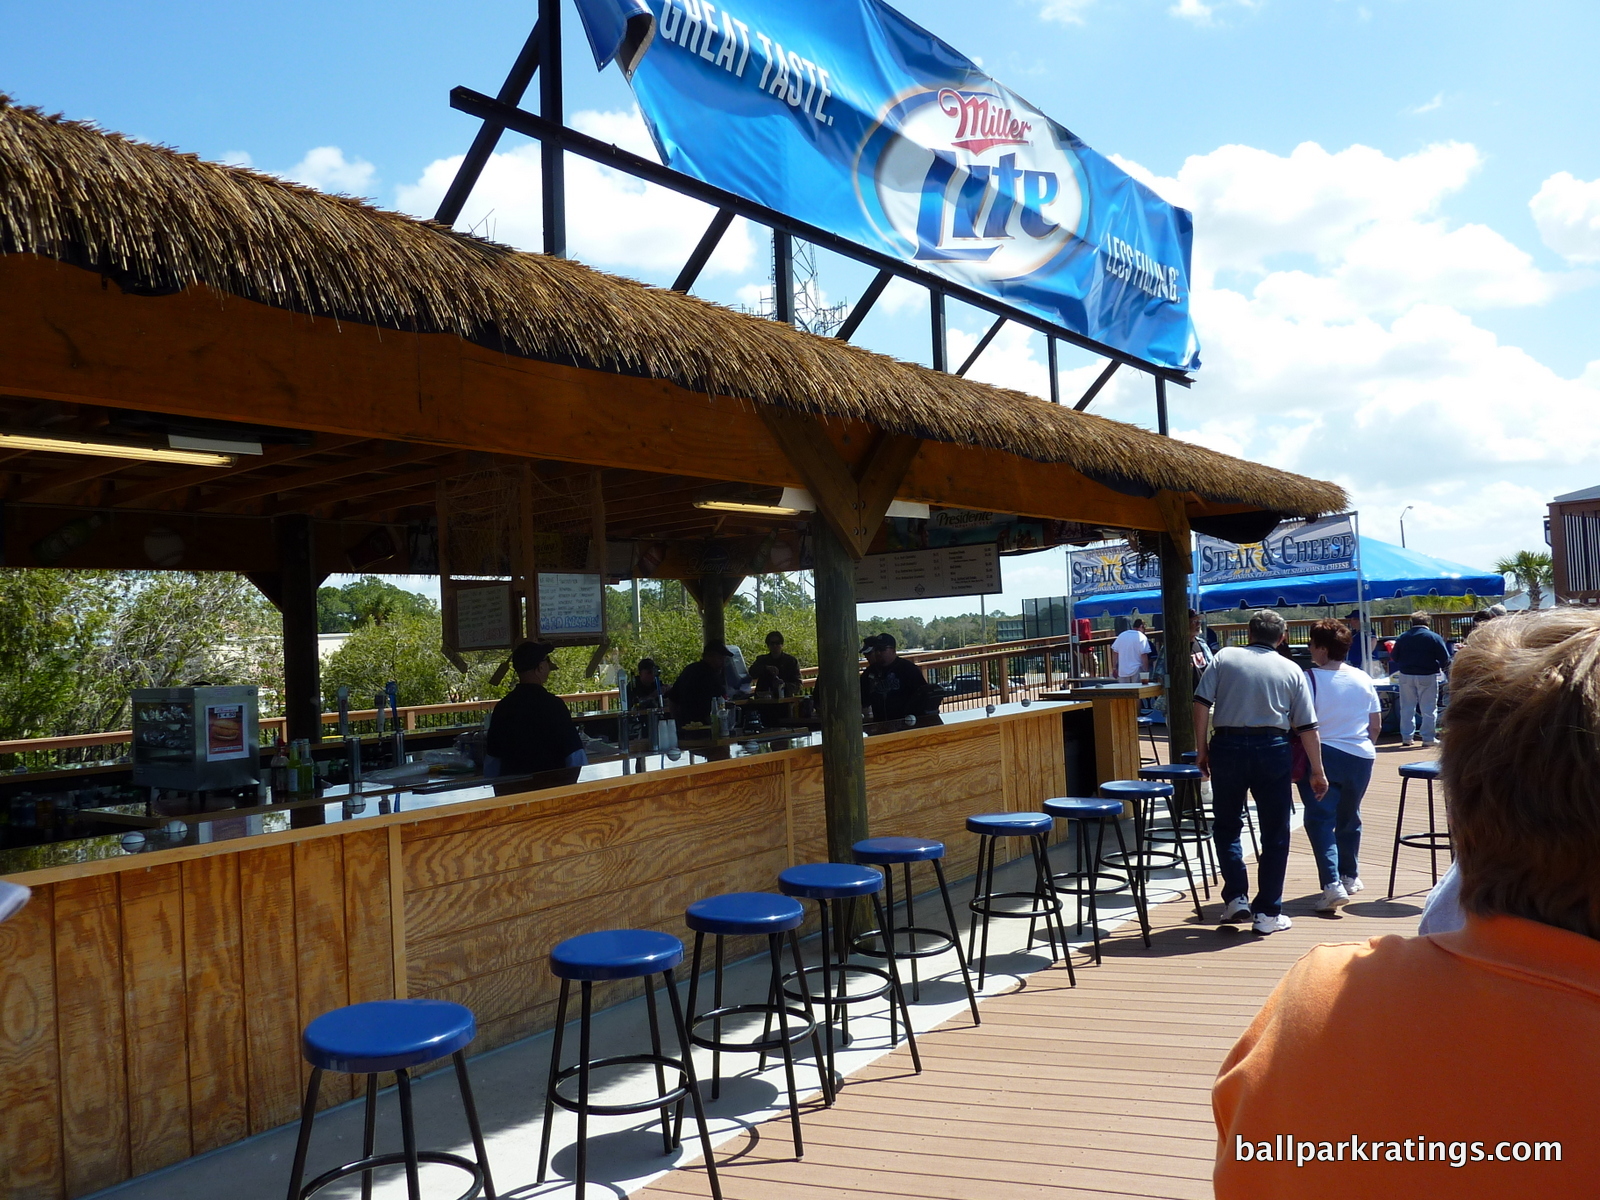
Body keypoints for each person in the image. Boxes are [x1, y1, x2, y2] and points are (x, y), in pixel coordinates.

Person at [1213, 610, 1600, 1198]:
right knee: (1343, 824)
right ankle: (1334, 877)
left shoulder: (1313, 1004)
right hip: (1349, 757)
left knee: (1307, 825)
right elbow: (1355, 720)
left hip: (1255, 754)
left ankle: (1296, 886)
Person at [1192, 610, 1328, 935]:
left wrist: (1202, 749)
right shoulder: (1291, 669)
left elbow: (1200, 703)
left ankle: (1236, 897)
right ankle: (1267, 913)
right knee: (1275, 832)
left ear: (1249, 633)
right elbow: (1308, 726)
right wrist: (1318, 770)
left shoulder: (1225, 657)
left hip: (1227, 745)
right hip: (1273, 748)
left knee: (1226, 825)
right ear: (1282, 638)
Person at [1297, 619, 1381, 910]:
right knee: (1349, 816)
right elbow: (1375, 725)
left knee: (1320, 819)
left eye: (1311, 643)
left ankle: (1331, 884)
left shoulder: (1309, 678)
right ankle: (1350, 874)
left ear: (1321, 648)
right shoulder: (1363, 677)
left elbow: (1300, 723)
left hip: (1323, 754)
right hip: (1361, 755)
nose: (1309, 648)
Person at [485, 640, 582, 779]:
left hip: (513, 790)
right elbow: (575, 756)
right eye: (547, 660)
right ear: (540, 667)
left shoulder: (503, 707)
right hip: (550, 788)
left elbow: (492, 760)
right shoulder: (554, 706)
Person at [1389, 612, 1452, 746]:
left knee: (1406, 707)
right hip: (1427, 675)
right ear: (1427, 622)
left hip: (1406, 675)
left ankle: (1407, 737)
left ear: (1412, 622)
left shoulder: (1402, 637)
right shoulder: (1433, 637)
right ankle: (1428, 738)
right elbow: (1444, 659)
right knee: (1428, 708)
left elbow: (1394, 656)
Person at [860, 634, 940, 721]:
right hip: (880, 725)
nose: (878, 653)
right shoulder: (870, 672)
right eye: (876, 649)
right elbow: (862, 698)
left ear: (893, 650)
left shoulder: (908, 669)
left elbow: (924, 698)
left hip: (906, 724)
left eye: (882, 649)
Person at [668, 642, 733, 725]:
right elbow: (720, 703)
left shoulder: (690, 669)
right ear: (709, 656)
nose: (723, 662)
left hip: (686, 725)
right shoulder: (710, 675)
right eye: (720, 658)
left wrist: (677, 722)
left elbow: (672, 698)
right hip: (706, 727)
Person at [747, 630, 803, 697]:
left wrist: (783, 685)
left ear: (782, 645)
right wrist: (765, 668)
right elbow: (752, 673)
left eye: (777, 643)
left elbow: (798, 684)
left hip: (785, 699)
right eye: (772, 643)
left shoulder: (791, 661)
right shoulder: (762, 660)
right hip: (764, 700)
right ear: (768, 645)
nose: (775, 646)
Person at [1111, 619, 1152, 683]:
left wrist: (1114, 668)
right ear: (1141, 626)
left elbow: (1115, 652)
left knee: (1125, 692)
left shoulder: (1122, 635)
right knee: (1137, 691)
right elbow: (1143, 654)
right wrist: (1146, 670)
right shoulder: (1141, 637)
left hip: (1122, 670)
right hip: (1137, 669)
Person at [1190, 608, 1215, 674]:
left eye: (1199, 621)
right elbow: (1160, 673)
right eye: (1194, 621)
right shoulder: (1173, 647)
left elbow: (1212, 667)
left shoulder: (1202, 643)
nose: (1198, 624)